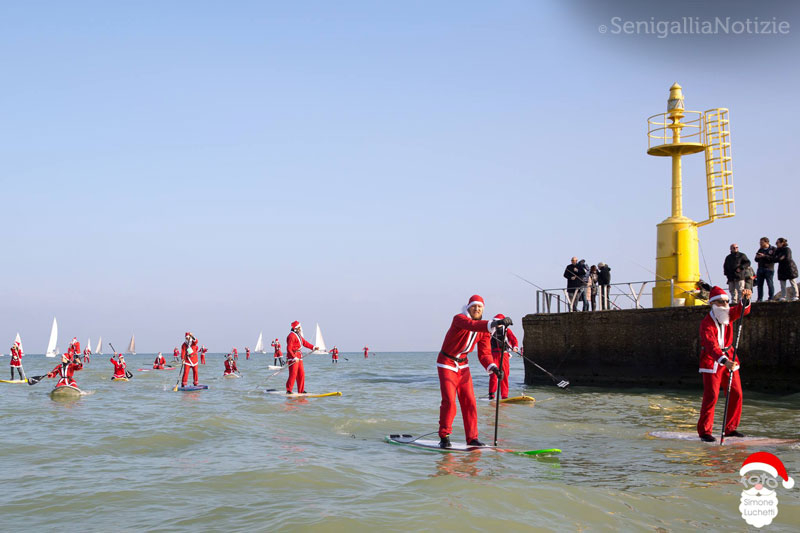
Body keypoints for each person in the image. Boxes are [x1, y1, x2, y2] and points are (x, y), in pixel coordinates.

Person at [436, 294, 507, 449]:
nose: (477, 309)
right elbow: (471, 325)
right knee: (449, 401)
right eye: (474, 306)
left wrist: (494, 368)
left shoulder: (485, 330)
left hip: (463, 365)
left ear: (483, 309)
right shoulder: (459, 319)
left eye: (480, 307)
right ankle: (444, 436)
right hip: (446, 363)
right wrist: (495, 323)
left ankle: (472, 438)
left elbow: (485, 354)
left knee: (470, 401)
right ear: (468, 308)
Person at [696, 286, 751, 442]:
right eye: (721, 302)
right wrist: (724, 361)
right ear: (713, 304)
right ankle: (705, 431)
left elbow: (742, 311)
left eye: (727, 301)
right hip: (712, 360)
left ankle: (730, 429)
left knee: (736, 393)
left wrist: (745, 300)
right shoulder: (706, 323)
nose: (725, 304)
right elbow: (711, 345)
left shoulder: (728, 314)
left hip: (730, 357)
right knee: (711, 395)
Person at [488, 314, 519, 400]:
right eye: (496, 321)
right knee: (494, 375)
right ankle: (491, 395)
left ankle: (504, 396)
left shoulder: (506, 330)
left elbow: (513, 339)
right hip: (493, 355)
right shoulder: (491, 330)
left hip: (504, 354)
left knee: (505, 375)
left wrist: (515, 347)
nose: (497, 323)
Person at [286, 321, 318, 394]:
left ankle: (301, 390)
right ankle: (289, 390)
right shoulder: (291, 336)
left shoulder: (298, 335)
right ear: (296, 328)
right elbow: (289, 349)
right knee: (293, 374)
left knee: (301, 373)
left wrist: (313, 347)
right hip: (293, 357)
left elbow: (304, 343)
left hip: (299, 356)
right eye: (299, 327)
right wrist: (294, 357)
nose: (300, 329)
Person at [753, 237, 777, 302]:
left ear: (766, 242)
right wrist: (758, 257)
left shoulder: (773, 249)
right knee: (759, 285)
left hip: (769, 269)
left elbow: (774, 259)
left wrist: (764, 256)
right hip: (760, 268)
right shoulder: (760, 249)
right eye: (760, 242)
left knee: (770, 284)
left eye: (762, 242)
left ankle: (771, 298)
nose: (760, 244)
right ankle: (759, 298)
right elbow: (756, 259)